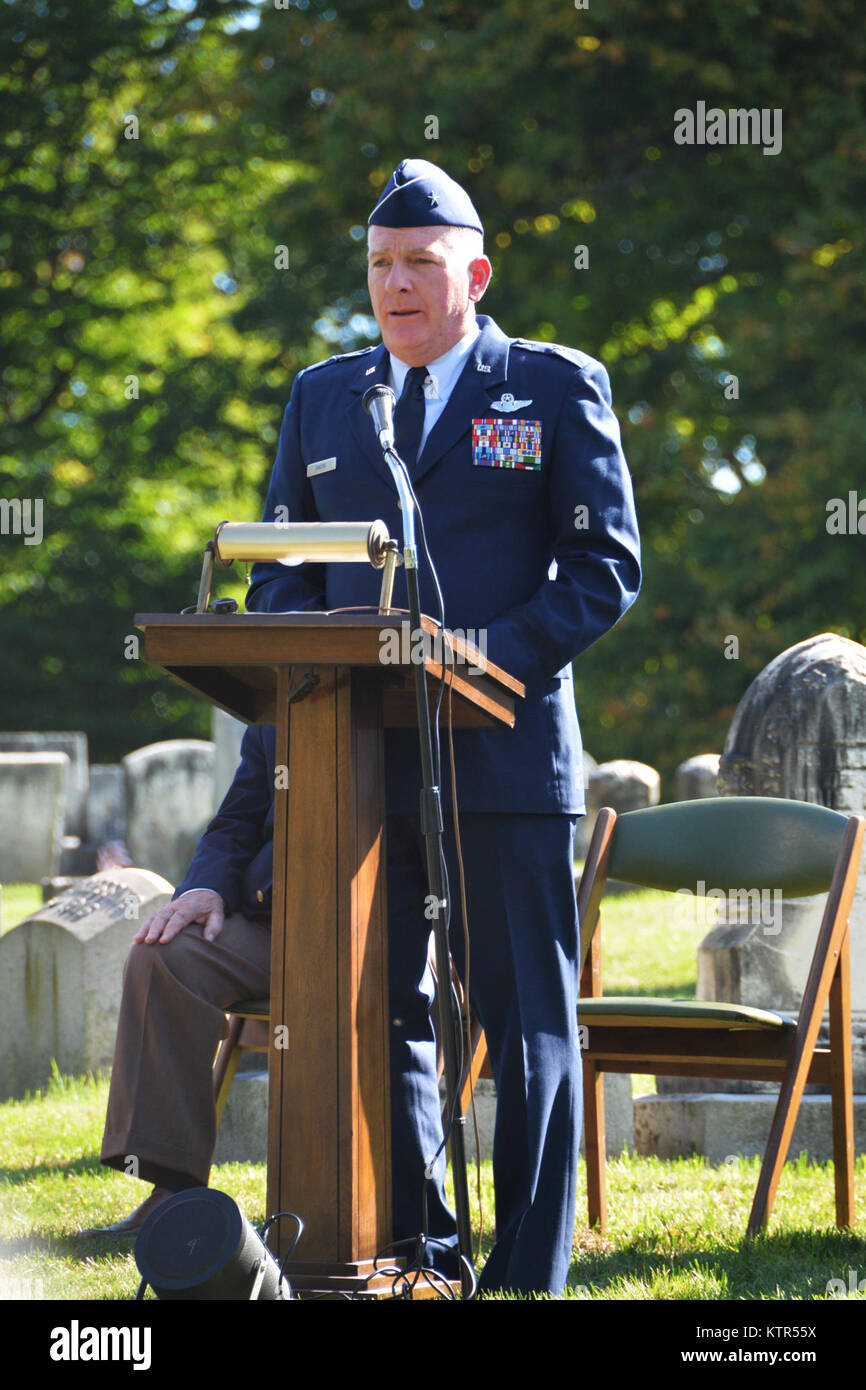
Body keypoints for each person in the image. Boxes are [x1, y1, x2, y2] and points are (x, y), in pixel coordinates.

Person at [94, 158, 641, 1295]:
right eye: (380, 265)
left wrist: (483, 653)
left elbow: (603, 567)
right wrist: (313, 636)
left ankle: (526, 1270)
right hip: (358, 763)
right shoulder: (325, 395)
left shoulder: (548, 386)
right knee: (380, 1008)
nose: (395, 285)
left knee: (523, 1021)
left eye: (420, 263)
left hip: (500, 754)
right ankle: (423, 1245)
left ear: (474, 273)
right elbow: (283, 572)